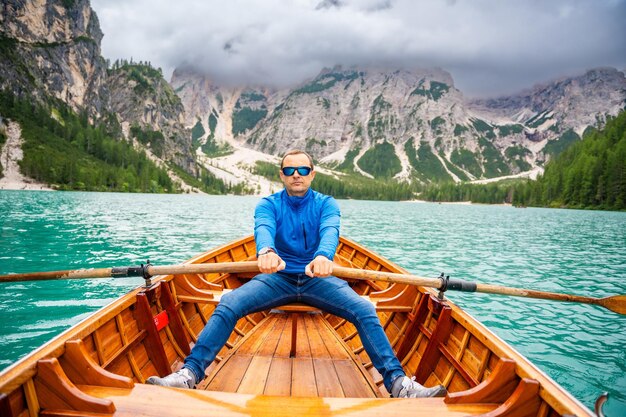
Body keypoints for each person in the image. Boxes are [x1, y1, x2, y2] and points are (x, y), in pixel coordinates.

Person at [147, 150, 446, 398]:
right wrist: (265, 251)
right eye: (289, 170)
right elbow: (263, 229)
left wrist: (323, 257)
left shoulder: (326, 204)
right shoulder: (268, 204)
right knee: (229, 304)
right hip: (277, 278)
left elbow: (330, 232)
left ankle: (398, 383)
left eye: (303, 169)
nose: (296, 175)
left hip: (319, 279)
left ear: (313, 174)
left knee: (365, 309)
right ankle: (188, 374)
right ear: (281, 175)